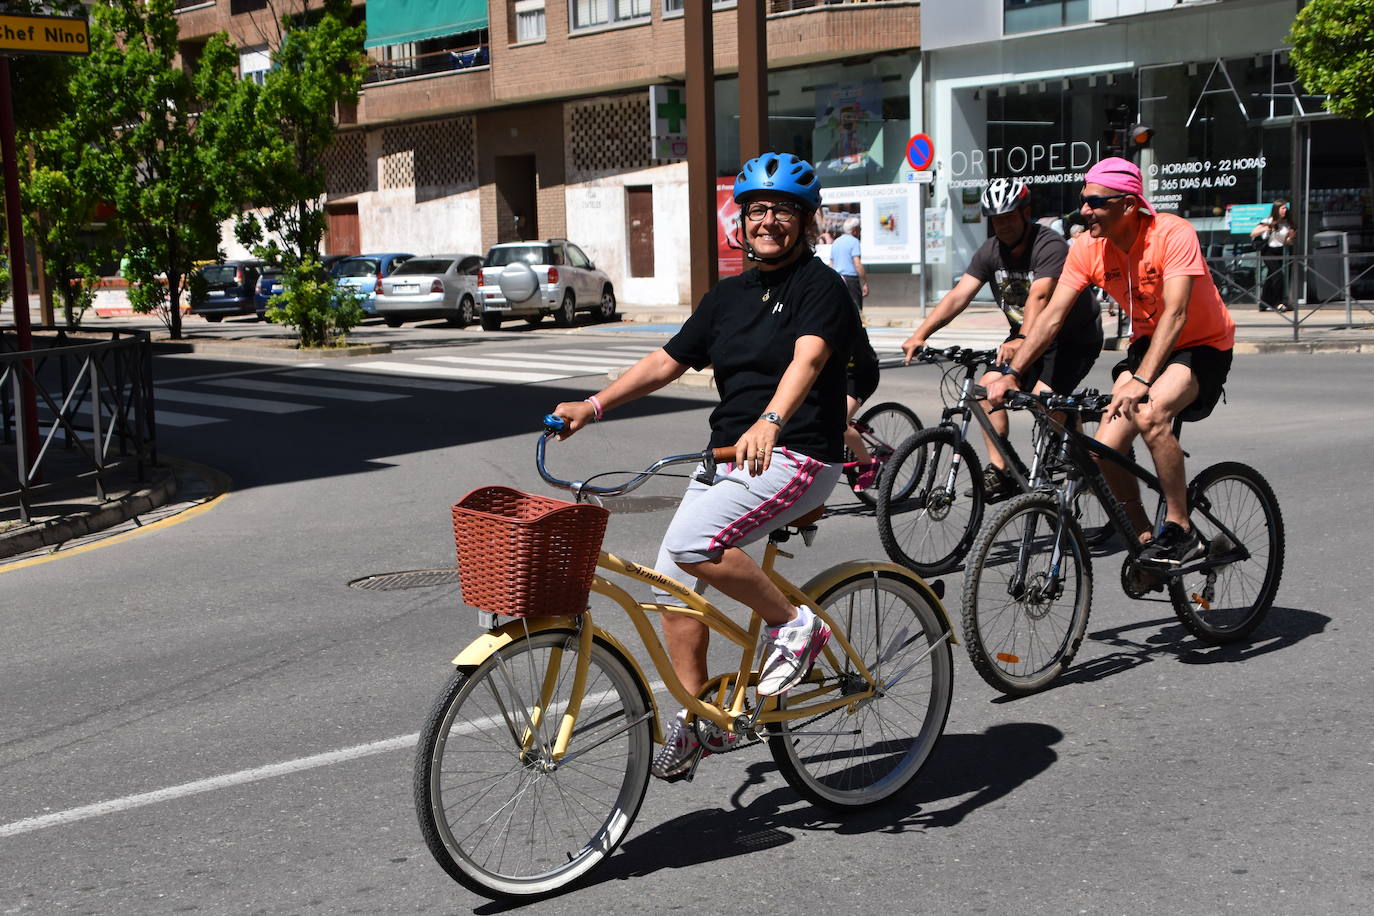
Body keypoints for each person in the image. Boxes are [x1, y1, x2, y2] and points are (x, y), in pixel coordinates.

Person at [550, 152, 860, 780]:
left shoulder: (819, 287)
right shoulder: (727, 297)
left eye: (783, 211)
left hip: (798, 451)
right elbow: (667, 362)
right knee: (671, 581)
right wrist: (593, 404)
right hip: (727, 456)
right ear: (740, 220)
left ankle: (798, 626)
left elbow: (808, 359)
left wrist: (771, 421)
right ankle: (697, 720)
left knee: (694, 545)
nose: (768, 221)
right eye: (758, 210)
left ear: (805, 222)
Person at [984, 157, 1236, 567]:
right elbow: (1050, 317)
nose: (1084, 210)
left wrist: (1140, 379)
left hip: (1202, 344)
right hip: (1148, 345)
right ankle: (1145, 540)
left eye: (1096, 202)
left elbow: (1176, 314)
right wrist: (1012, 374)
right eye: (1084, 200)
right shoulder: (1086, 247)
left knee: (1151, 413)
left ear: (1129, 204)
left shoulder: (1172, 233)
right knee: (1102, 449)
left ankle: (1179, 527)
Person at [900, 177, 1103, 501]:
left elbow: (1039, 296)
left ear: (1026, 213)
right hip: (1024, 333)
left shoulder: (1048, 245)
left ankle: (1078, 448)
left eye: (1009, 216)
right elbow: (959, 295)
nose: (1003, 225)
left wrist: (1022, 338)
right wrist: (920, 334)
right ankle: (1003, 470)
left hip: (1071, 336)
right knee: (985, 390)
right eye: (996, 219)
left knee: (1044, 400)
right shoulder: (990, 251)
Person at [1250, 199, 1296, 312]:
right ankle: (1278, 303)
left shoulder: (1287, 223)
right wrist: (1269, 226)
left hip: (1280, 251)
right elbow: (1253, 233)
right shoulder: (1268, 220)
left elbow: (1287, 241)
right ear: (1277, 209)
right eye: (1283, 208)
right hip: (1268, 251)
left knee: (1271, 278)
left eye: (1286, 208)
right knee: (1277, 276)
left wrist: (1291, 237)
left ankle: (1263, 303)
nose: (1285, 210)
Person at [829, 215, 868, 310]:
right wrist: (864, 282)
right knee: (856, 308)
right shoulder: (854, 242)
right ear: (855, 230)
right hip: (851, 280)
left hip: (837, 278)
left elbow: (831, 264)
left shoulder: (836, 242)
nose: (860, 231)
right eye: (859, 229)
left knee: (840, 307)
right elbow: (857, 264)